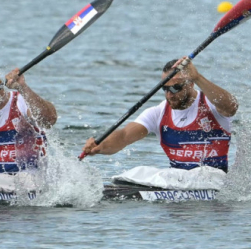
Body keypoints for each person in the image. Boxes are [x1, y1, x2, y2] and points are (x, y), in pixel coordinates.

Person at [81, 57, 238, 172]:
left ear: (190, 84)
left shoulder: (211, 104)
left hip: (214, 181)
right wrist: (100, 147)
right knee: (140, 172)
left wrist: (197, 77)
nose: (170, 94)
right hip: (177, 184)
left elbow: (231, 107)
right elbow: (123, 137)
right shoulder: (157, 113)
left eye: (176, 88)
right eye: (165, 88)